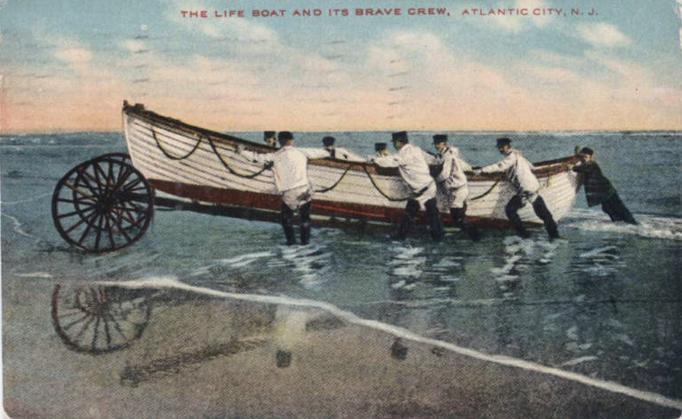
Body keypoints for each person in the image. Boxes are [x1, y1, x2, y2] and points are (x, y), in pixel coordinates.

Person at [237, 131, 330, 245]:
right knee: (305, 218)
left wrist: (241, 151)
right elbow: (323, 152)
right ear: (292, 141)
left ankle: (291, 243)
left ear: (280, 141)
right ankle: (305, 243)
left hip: (289, 193)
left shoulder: (275, 156)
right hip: (304, 190)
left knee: (286, 219)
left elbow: (256, 158)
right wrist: (328, 151)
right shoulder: (303, 152)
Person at [474, 137, 559, 240]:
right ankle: (554, 235)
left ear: (507, 147)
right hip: (532, 187)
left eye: (501, 147)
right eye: (499, 148)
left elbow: (500, 166)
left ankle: (524, 234)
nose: (500, 150)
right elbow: (532, 167)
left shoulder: (511, 157)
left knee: (510, 210)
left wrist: (482, 170)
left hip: (526, 190)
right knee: (543, 213)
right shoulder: (518, 157)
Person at [373, 131, 443, 241]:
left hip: (423, 190)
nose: (394, 146)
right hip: (426, 187)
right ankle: (402, 236)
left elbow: (391, 162)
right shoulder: (416, 150)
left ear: (398, 143)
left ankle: (437, 239)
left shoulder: (403, 154)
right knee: (413, 214)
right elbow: (433, 160)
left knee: (430, 216)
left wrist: (375, 160)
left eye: (394, 143)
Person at [430, 134, 480, 241]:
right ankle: (472, 235)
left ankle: (475, 236)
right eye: (435, 144)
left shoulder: (448, 156)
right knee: (459, 216)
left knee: (457, 217)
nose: (436, 146)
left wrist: (432, 180)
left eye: (438, 144)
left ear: (445, 144)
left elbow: (444, 175)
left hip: (457, 190)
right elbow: (462, 165)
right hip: (458, 189)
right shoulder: (448, 154)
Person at [572, 147, 637, 224]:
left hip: (607, 191)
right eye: (582, 157)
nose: (584, 159)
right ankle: (621, 223)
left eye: (586, 157)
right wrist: (577, 156)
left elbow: (578, 168)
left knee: (619, 208)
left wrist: (572, 167)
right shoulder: (587, 164)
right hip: (603, 192)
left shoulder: (592, 164)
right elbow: (581, 166)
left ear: (591, 157)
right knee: (607, 208)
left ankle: (632, 223)